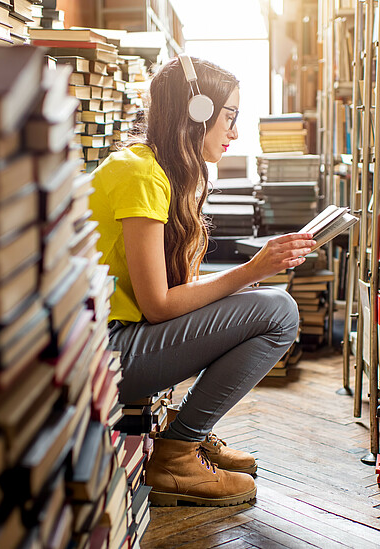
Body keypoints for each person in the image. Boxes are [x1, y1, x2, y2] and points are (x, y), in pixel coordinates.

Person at [89, 55, 315, 507]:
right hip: (104, 355)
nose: (234, 132)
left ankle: (188, 434)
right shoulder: (141, 175)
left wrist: (241, 285)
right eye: (229, 117)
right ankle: (177, 454)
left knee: (263, 303)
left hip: (112, 341)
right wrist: (250, 271)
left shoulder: (153, 168)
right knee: (279, 311)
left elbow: (162, 296)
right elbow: (157, 305)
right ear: (198, 114)